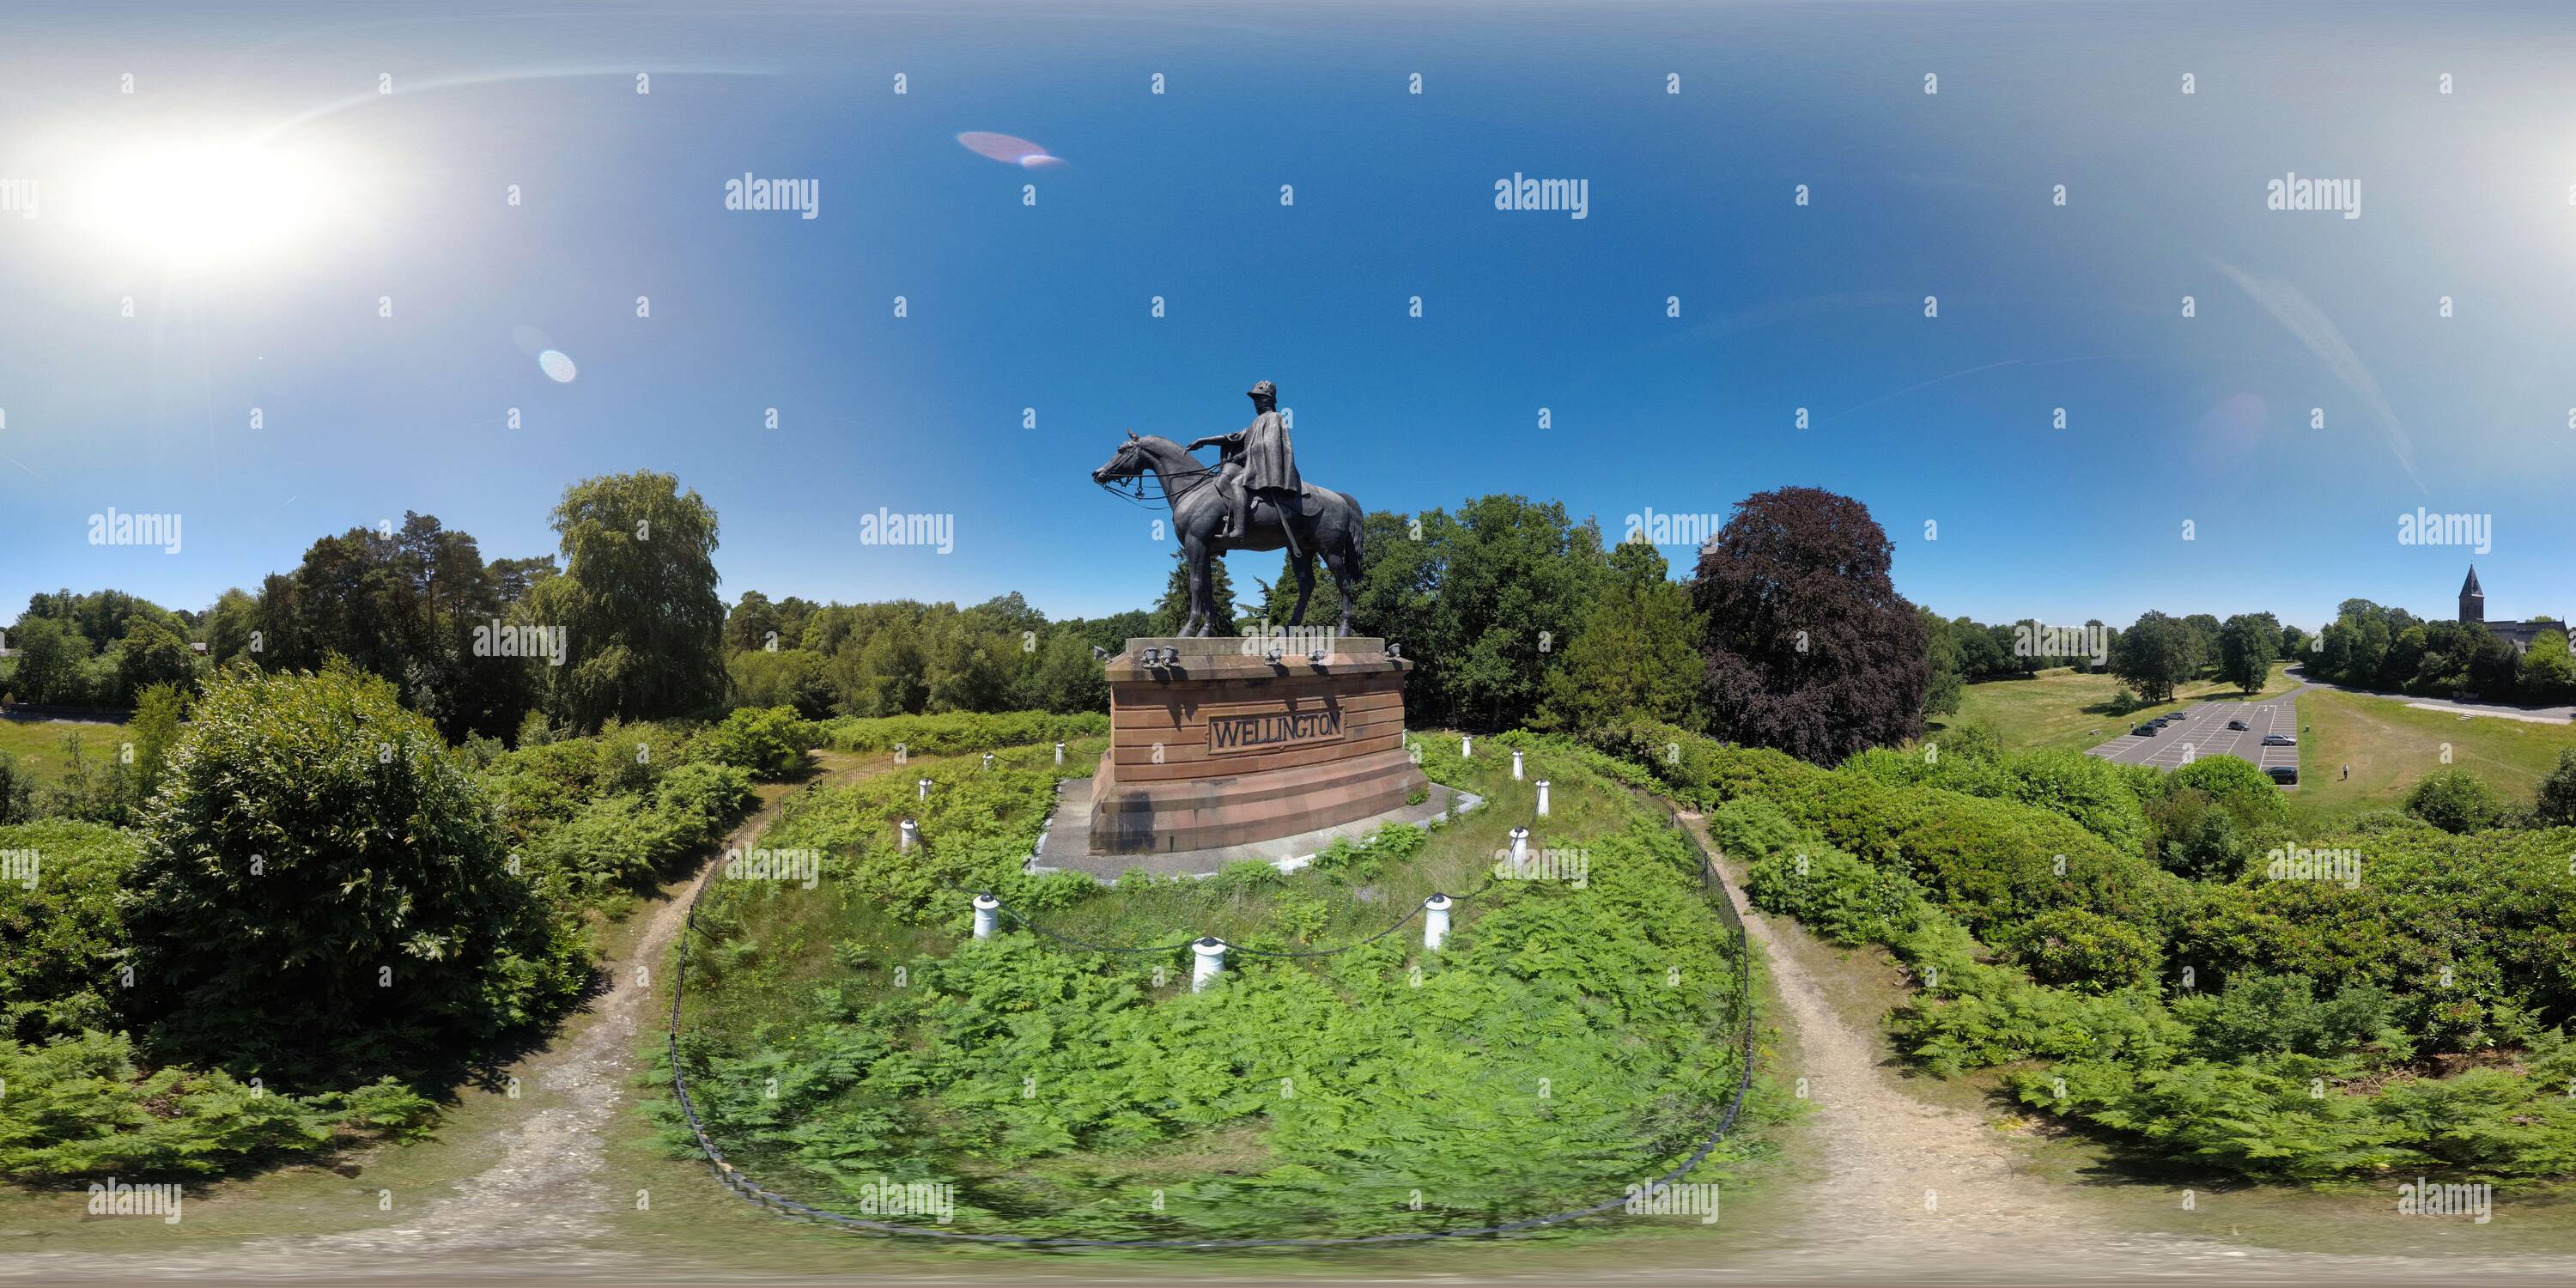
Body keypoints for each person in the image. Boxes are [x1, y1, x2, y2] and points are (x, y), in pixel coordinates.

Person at [1188, 380, 1302, 544]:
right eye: (1255, 399)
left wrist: (1241, 456)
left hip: (1263, 467)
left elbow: (1267, 446)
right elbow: (1233, 437)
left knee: (1237, 483)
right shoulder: (1255, 423)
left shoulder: (1274, 418)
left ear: (1268, 400)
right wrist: (1204, 440)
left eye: (1258, 399)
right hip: (1253, 464)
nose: (1255, 403)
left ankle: (1239, 530)